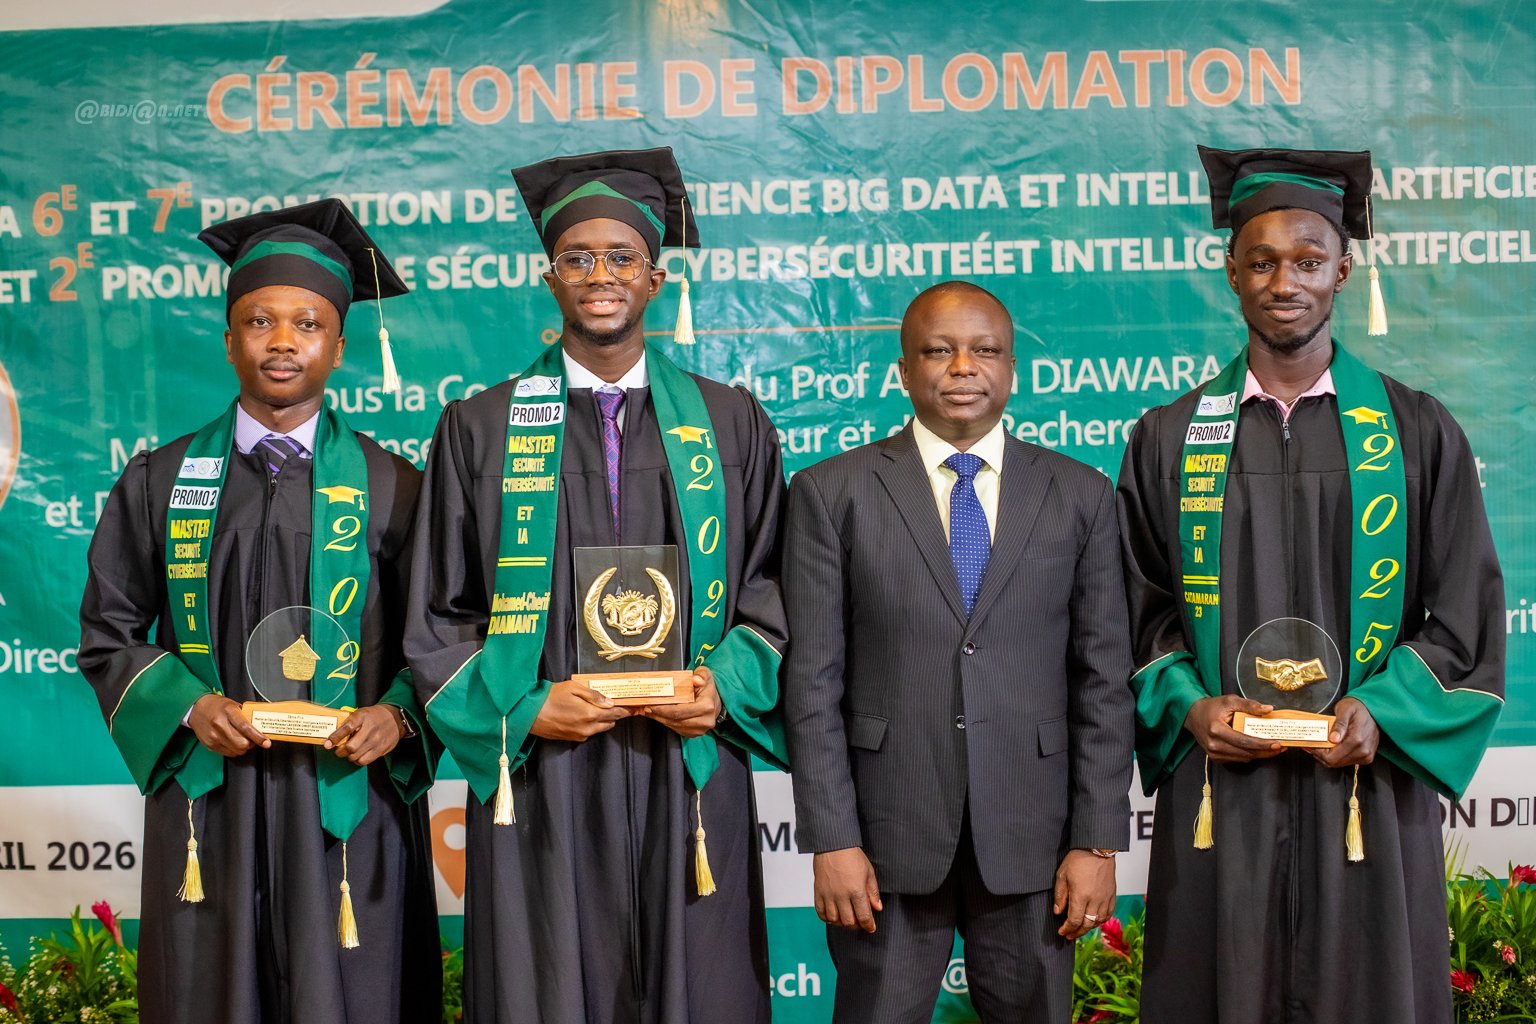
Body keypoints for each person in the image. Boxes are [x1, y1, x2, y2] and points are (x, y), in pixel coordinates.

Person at [1117, 146, 1505, 1023]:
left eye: (1306, 259)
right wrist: (1189, 705)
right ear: (1231, 272)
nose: (1283, 281)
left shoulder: (1413, 430)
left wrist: (1385, 710)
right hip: (1223, 789)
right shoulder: (1170, 437)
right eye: (1261, 262)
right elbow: (1134, 609)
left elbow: (1466, 617)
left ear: (1342, 270)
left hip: (1367, 787)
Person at [405, 147, 789, 1024]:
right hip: (543, 769)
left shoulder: (730, 422)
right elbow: (436, 611)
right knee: (546, 988)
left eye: (622, 257)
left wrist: (722, 687)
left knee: (700, 986)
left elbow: (774, 585)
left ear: (657, 278)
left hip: (687, 767)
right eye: (577, 258)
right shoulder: (480, 427)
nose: (600, 275)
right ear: (550, 279)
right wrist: (524, 708)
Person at [78, 199, 441, 1024]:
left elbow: (440, 636)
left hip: (350, 801)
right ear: (228, 339)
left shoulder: (395, 487)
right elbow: (109, 632)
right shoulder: (161, 482)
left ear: (337, 346)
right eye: (259, 321)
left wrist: (398, 717)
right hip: (213, 801)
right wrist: (188, 705)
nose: (283, 340)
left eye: (308, 323)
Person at [783, 280, 1134, 1023]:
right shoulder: (830, 492)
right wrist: (832, 839)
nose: (963, 367)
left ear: (1012, 370)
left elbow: (1103, 680)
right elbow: (812, 683)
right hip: (885, 840)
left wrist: (1098, 842)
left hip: (1036, 841)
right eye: (938, 351)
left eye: (985, 350)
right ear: (904, 371)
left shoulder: (1080, 494)